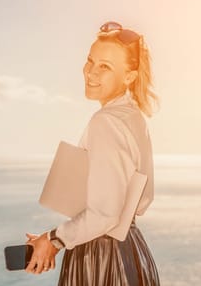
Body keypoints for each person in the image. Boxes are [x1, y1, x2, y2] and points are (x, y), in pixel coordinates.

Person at [24, 21, 161, 285]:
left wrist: (54, 239)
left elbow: (106, 214)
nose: (90, 72)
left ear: (129, 76)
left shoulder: (105, 122)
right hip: (131, 252)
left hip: (102, 259)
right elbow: (142, 200)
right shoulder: (134, 117)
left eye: (105, 67)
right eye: (90, 61)